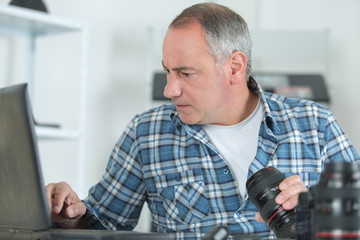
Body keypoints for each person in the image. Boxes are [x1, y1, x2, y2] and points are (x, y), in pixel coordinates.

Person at [46, 2, 359, 239]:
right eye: (168, 71)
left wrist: (322, 212)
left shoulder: (315, 124)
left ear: (235, 67)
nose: (170, 89)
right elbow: (103, 226)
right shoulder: (147, 133)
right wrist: (71, 213)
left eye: (185, 73)